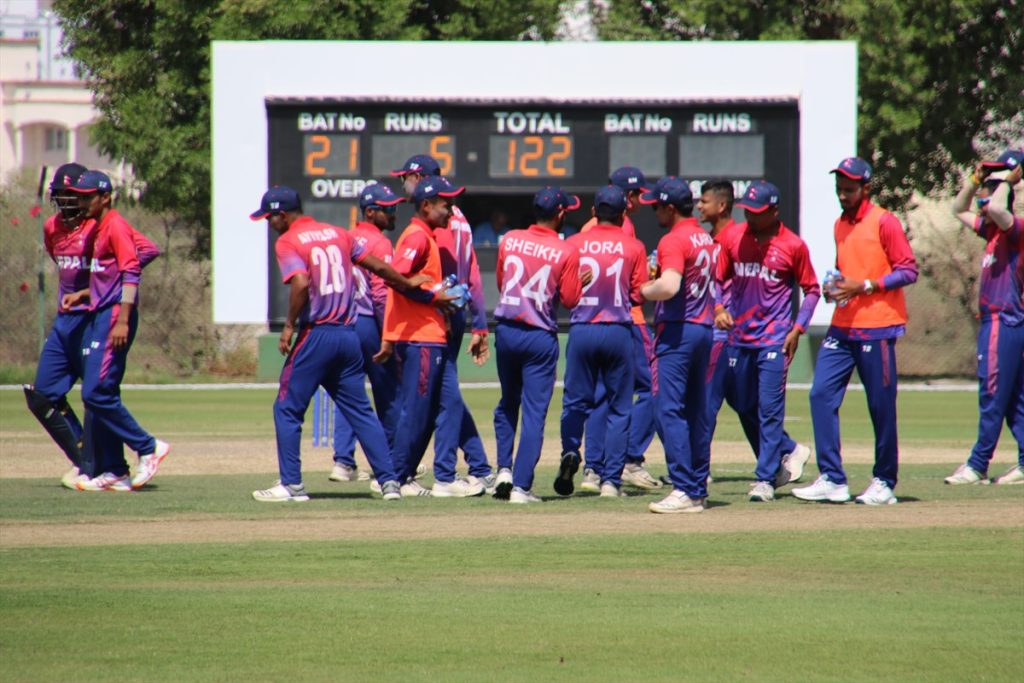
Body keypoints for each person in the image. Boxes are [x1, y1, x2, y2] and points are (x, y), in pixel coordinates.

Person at [249, 186, 426, 502]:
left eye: (269, 218)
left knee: (287, 407)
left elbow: (301, 282)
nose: (269, 224)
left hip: (317, 334)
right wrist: (407, 283)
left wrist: (288, 326)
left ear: (282, 214)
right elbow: (379, 267)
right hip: (348, 336)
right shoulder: (339, 233)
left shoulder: (288, 241)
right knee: (361, 411)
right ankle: (389, 482)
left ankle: (291, 485)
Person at [24, 163, 159, 489]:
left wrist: (110, 279)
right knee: (43, 394)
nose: (68, 201)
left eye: (73, 195)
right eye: (61, 195)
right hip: (65, 320)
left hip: (93, 318)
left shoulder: (101, 225)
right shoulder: (52, 228)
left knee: (97, 393)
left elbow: (145, 251)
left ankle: (106, 466)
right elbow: (64, 264)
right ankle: (85, 458)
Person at [795, 157, 918, 505]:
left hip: (877, 327)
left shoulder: (884, 221)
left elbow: (908, 270)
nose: (842, 195)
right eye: (839, 189)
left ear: (866, 188)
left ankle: (884, 482)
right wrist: (834, 285)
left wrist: (864, 285)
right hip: (843, 326)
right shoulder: (840, 225)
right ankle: (833, 479)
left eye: (849, 190)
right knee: (820, 395)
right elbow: (845, 268)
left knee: (880, 406)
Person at [391, 155, 495, 493]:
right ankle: (475, 466)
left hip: (438, 316)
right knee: (442, 395)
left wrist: (448, 313)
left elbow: (439, 278)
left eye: (406, 178)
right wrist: (479, 323)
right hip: (452, 312)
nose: (403, 185)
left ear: (421, 179)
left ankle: (425, 474)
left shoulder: (440, 221)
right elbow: (473, 273)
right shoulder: (459, 218)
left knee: (435, 398)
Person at [714, 180, 820, 502]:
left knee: (769, 410)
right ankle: (785, 456)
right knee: (743, 405)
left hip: (774, 339)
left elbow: (812, 289)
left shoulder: (793, 245)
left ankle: (765, 478)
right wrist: (718, 308)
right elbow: (718, 278)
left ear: (774, 211)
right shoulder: (732, 237)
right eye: (746, 210)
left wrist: (798, 328)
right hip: (739, 338)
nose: (750, 216)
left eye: (757, 211)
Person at [62, 171, 168, 491]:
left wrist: (122, 318)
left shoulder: (115, 225)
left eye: (87, 197)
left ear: (105, 197)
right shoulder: (101, 226)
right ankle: (115, 470)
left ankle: (148, 447)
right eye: (78, 196)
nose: (81, 202)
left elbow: (131, 270)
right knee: (101, 393)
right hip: (101, 312)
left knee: (94, 393)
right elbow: (146, 250)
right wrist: (90, 292)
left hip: (113, 317)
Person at [492, 187, 583, 503]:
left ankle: (503, 470)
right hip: (539, 336)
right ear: (561, 213)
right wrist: (579, 283)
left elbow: (502, 283)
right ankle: (521, 487)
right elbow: (570, 299)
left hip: (506, 330)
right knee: (533, 412)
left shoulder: (510, 239)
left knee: (508, 402)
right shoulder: (566, 250)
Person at [557, 185, 648, 498]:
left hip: (582, 328)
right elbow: (638, 294)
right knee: (620, 408)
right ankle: (611, 481)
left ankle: (572, 452)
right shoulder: (634, 246)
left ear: (594, 213)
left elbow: (564, 292)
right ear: (623, 215)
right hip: (617, 329)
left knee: (575, 402)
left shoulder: (573, 243)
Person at [945, 149, 1024, 485]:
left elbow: (997, 209)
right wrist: (975, 179)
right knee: (1014, 398)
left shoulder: (1015, 229)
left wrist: (1006, 180)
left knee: (991, 394)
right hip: (1000, 323)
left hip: (1003, 321)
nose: (984, 194)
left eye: (990, 187)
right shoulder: (992, 233)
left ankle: (978, 464)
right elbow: (957, 209)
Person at [578, 166, 660, 492]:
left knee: (600, 395)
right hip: (626, 319)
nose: (640, 201)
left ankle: (593, 468)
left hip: (589, 321)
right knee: (653, 387)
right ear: (625, 198)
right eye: (637, 194)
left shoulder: (588, 228)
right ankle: (628, 458)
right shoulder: (622, 227)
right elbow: (634, 287)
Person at [639, 177, 717, 514]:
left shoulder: (673, 239)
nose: (654, 211)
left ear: (670, 208)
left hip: (678, 332)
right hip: (704, 329)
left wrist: (642, 289)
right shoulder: (705, 237)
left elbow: (669, 286)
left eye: (656, 206)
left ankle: (684, 488)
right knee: (696, 411)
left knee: (667, 409)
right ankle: (697, 488)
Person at [328, 183, 404, 483]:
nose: (394, 213)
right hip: (369, 323)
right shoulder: (380, 243)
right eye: (388, 209)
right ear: (370, 212)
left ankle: (343, 462)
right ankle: (392, 462)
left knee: (349, 393)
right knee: (389, 393)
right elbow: (381, 294)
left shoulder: (345, 238)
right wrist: (389, 333)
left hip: (345, 322)